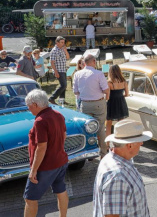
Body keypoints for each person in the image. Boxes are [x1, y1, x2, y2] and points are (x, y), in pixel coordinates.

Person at [23, 89, 69, 217]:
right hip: (60, 161)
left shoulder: (40, 121)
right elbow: (64, 135)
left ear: (36, 105)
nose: (28, 109)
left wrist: (33, 170)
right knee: (61, 190)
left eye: (29, 106)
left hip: (46, 166)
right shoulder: (58, 115)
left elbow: (41, 147)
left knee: (30, 198)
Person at [94, 120, 151, 217]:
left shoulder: (112, 159)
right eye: (139, 140)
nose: (142, 143)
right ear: (129, 145)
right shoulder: (118, 177)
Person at [73, 54, 110, 157]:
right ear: (94, 61)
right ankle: (103, 153)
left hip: (85, 104)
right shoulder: (99, 73)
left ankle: (89, 152)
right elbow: (105, 89)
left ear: (84, 63)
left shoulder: (77, 74)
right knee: (101, 128)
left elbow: (75, 92)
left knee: (86, 128)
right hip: (98, 102)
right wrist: (107, 96)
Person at [106, 64, 129, 137]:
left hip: (111, 104)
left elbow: (107, 97)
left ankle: (107, 144)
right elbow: (127, 94)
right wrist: (121, 96)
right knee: (120, 124)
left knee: (108, 125)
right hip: (121, 103)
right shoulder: (124, 81)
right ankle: (121, 141)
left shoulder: (109, 83)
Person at [48, 36, 70, 105]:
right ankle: (52, 98)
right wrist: (55, 72)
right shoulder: (54, 51)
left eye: (64, 42)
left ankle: (62, 100)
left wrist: (65, 50)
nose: (63, 44)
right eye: (62, 42)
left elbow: (68, 57)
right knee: (63, 85)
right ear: (57, 43)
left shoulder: (62, 49)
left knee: (63, 85)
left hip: (63, 69)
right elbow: (52, 62)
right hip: (58, 70)